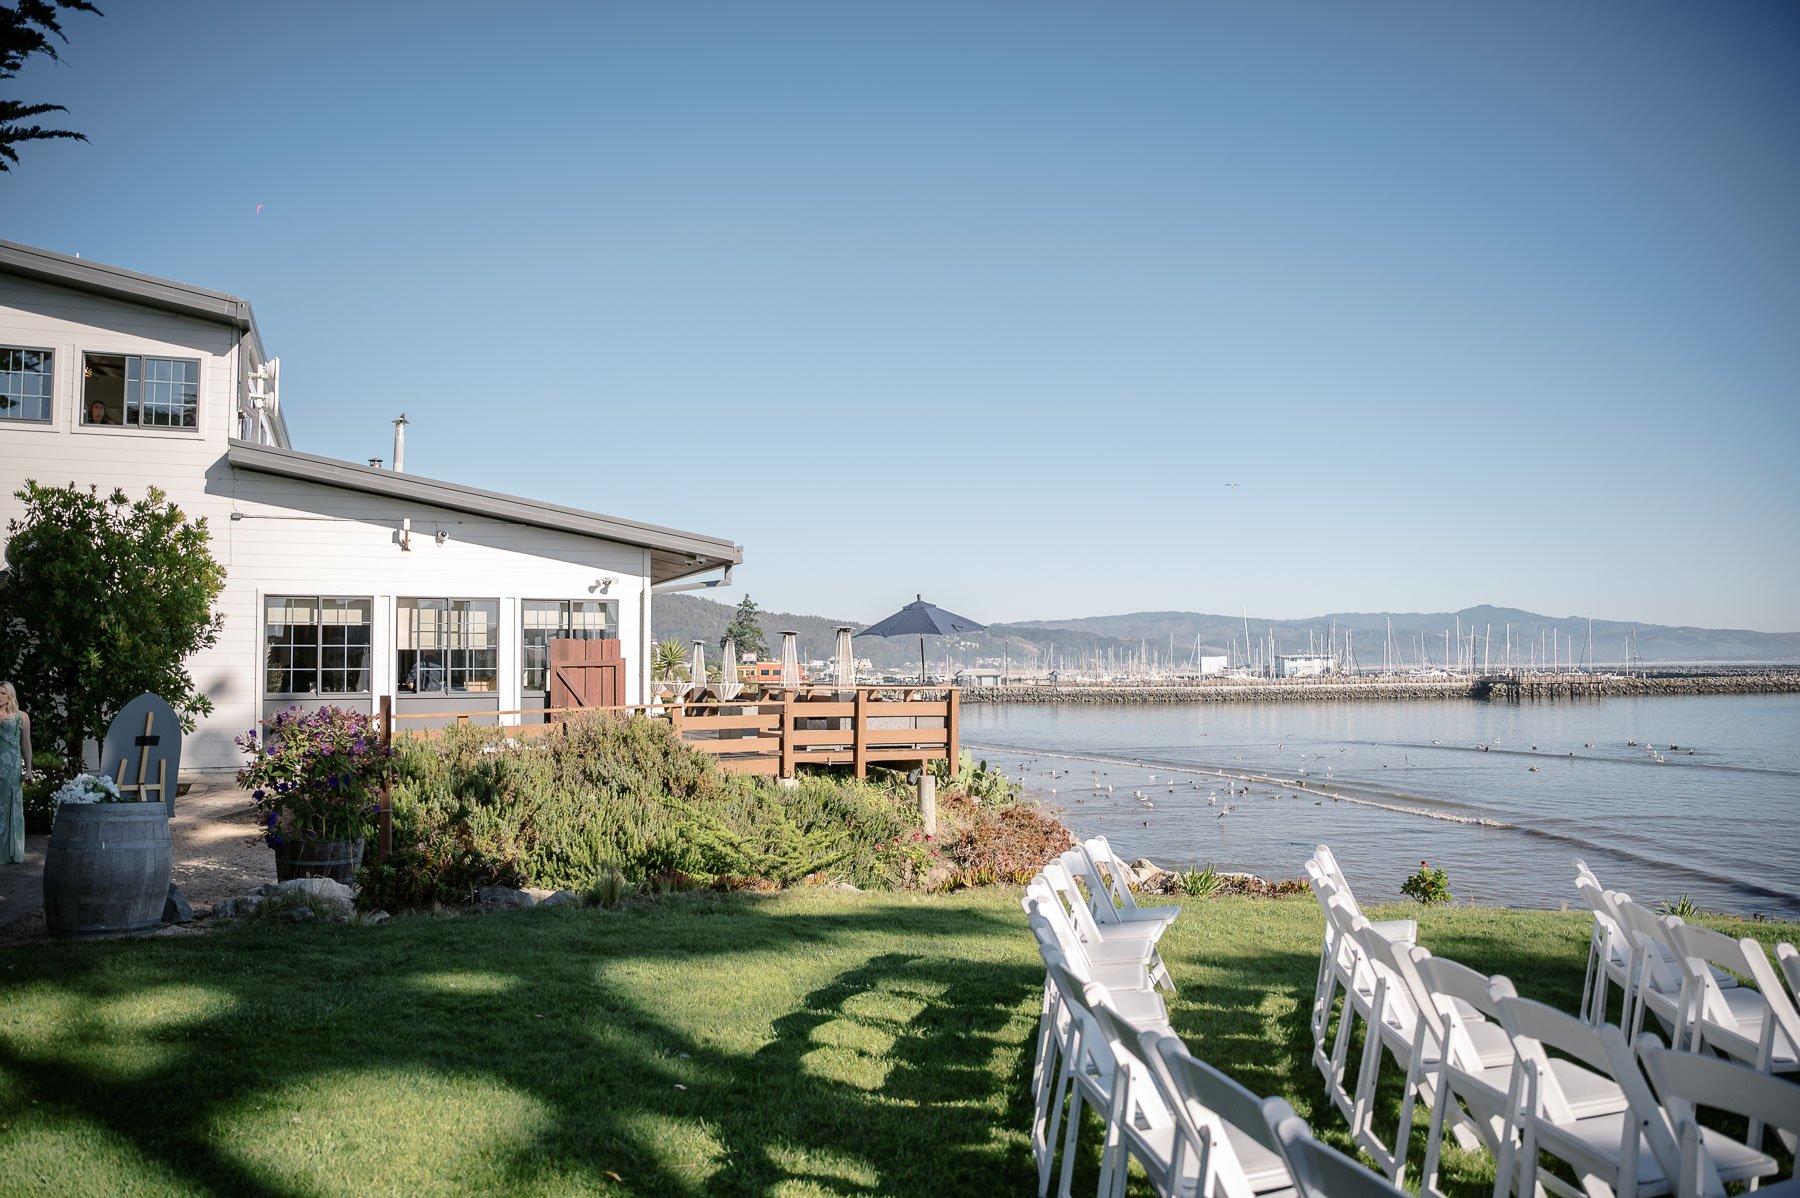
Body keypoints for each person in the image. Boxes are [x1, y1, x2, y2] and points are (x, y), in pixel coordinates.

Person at [0, 681, 31, 864]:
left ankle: (12, 850)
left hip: (11, 768)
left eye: (3, 693)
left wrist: (29, 769)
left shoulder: (21, 717)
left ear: (10, 695)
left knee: (11, 806)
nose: (0, 696)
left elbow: (26, 744)